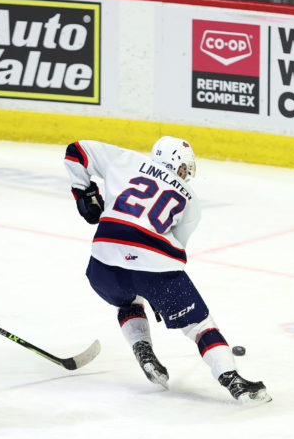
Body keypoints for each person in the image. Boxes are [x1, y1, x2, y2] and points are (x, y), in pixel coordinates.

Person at [64, 136, 271, 402]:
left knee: (127, 301)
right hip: (154, 270)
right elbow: (177, 249)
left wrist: (85, 192)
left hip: (102, 265)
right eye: (185, 168)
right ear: (174, 164)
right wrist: (156, 289)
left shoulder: (125, 159)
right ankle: (234, 381)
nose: (187, 175)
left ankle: (143, 349)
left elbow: (76, 150)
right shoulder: (191, 199)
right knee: (200, 325)